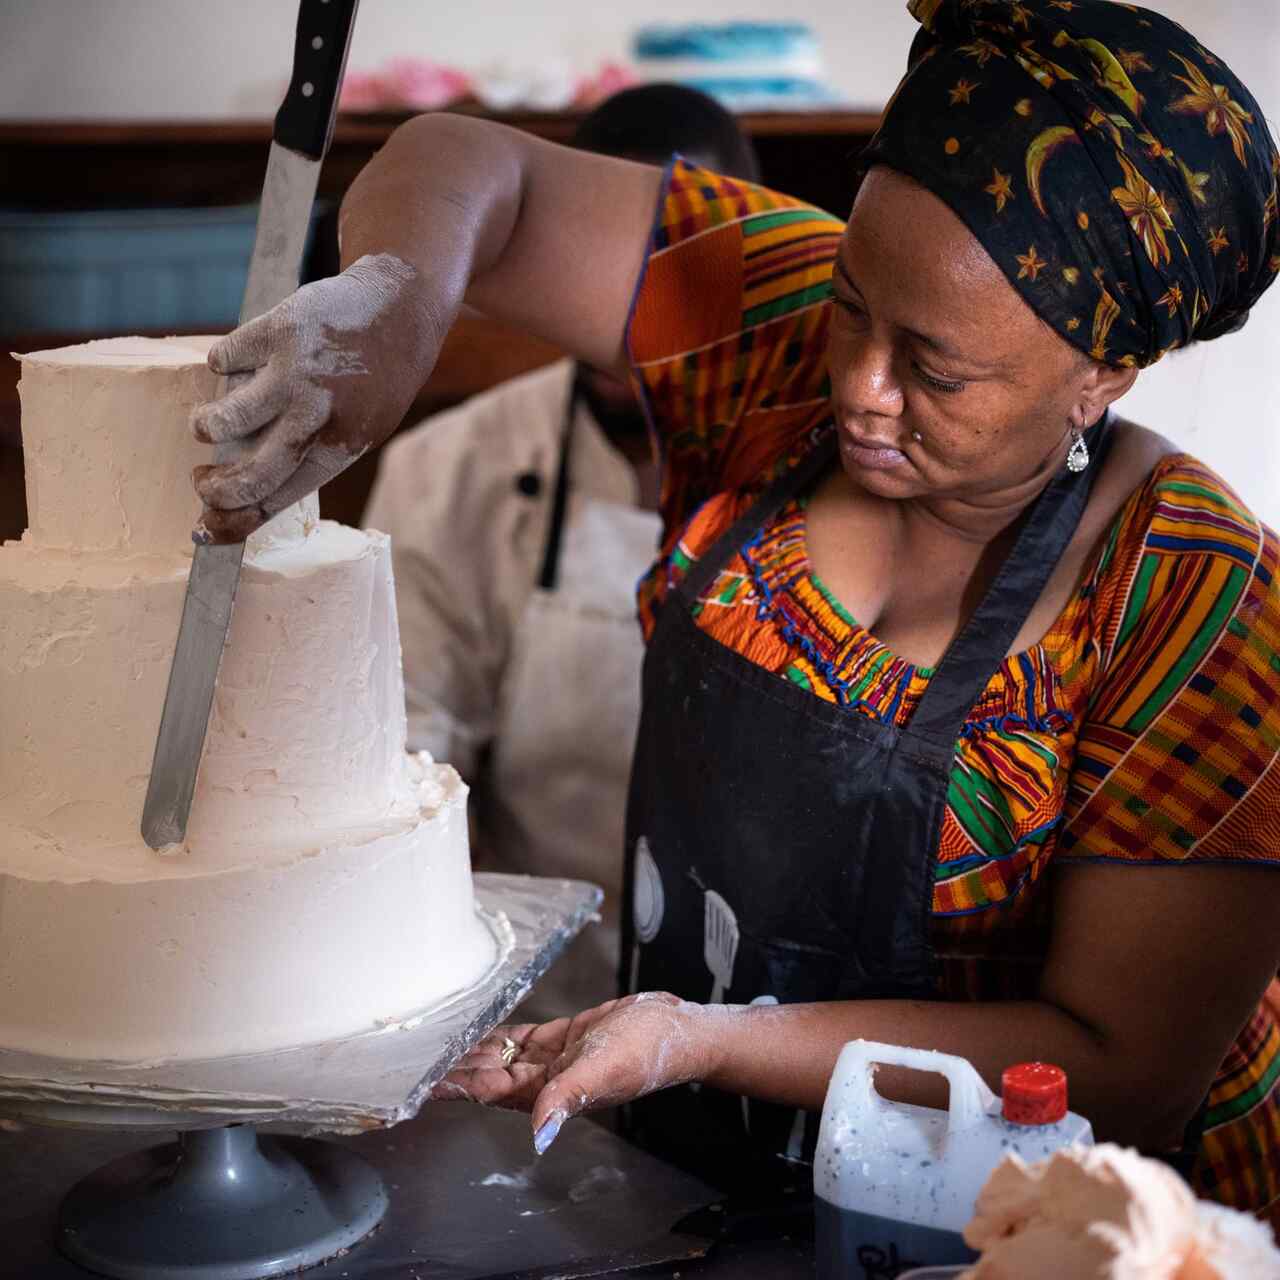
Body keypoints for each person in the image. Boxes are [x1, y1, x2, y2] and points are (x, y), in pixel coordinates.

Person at [188, 0, 1280, 1224]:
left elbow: (1125, 1068)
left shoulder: (1193, 596)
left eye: (933, 368)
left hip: (1035, 1228)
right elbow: (467, 164)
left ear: (1103, 370)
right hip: (699, 1171)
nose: (859, 387)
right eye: (851, 304)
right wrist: (399, 298)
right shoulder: (768, 338)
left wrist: (704, 1040)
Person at [362, 86, 759, 1019]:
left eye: (679, 273)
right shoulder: (450, 468)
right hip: (523, 995)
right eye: (612, 267)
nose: (637, 307)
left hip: (759, 1016)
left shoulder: (832, 467)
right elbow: (404, 767)